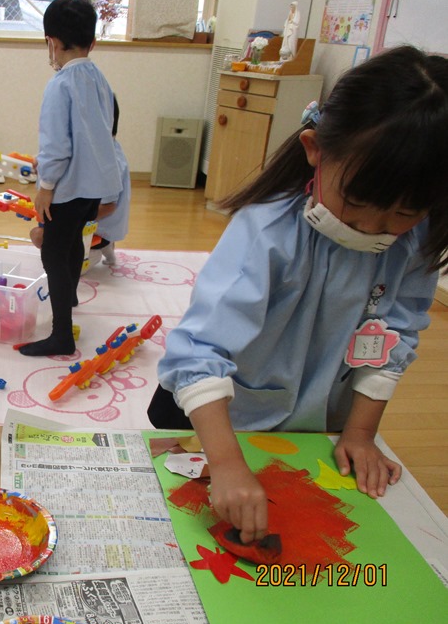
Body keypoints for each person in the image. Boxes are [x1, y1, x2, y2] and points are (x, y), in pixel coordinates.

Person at [149, 46, 448, 544]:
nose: (371, 228)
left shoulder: (416, 242)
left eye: (403, 213)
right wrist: (226, 463)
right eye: (356, 201)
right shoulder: (267, 233)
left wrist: (359, 434)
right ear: (315, 149)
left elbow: (394, 335)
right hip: (224, 422)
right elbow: (199, 351)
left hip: (315, 424)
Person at [19, 0, 122, 357]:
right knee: (75, 242)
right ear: (92, 43)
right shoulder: (100, 80)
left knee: (52, 253)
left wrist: (46, 186)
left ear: (51, 42)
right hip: (94, 187)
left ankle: (61, 334)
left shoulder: (60, 84)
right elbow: (97, 132)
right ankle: (70, 297)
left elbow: (58, 146)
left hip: (67, 188)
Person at [29, 95, 130, 267]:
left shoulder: (109, 162)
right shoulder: (91, 147)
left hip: (93, 230)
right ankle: (100, 248)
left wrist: (69, 220)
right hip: (84, 221)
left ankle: (94, 251)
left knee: (38, 236)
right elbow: (61, 160)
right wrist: (42, 165)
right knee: (41, 230)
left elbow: (108, 206)